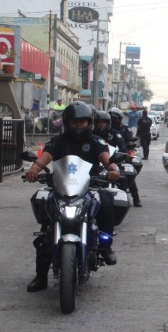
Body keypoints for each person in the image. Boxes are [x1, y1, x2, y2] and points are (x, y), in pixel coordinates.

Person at [24, 101, 120, 292]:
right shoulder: (59, 141)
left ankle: (105, 246)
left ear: (88, 122)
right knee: (45, 231)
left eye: (81, 121)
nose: (77, 125)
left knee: (106, 201)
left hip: (88, 186)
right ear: (67, 122)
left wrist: (113, 170)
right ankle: (41, 277)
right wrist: (33, 170)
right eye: (74, 121)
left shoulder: (95, 141)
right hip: (62, 188)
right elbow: (44, 157)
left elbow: (106, 159)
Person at [109, 107, 142, 207]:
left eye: (115, 118)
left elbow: (128, 141)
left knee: (129, 173)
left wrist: (127, 151)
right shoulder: (105, 130)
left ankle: (136, 198)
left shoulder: (124, 129)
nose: (113, 120)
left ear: (119, 119)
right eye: (111, 118)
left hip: (122, 155)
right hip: (107, 156)